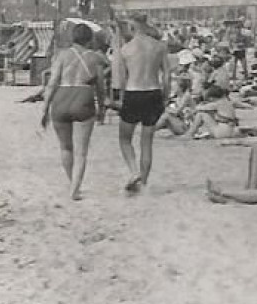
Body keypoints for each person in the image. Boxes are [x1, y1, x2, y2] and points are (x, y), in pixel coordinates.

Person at [42, 22, 110, 200]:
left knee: (65, 148)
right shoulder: (95, 58)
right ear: (90, 39)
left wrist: (44, 109)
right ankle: (74, 189)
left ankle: (72, 182)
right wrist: (102, 108)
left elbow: (52, 82)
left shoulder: (62, 55)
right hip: (83, 97)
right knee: (81, 152)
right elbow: (101, 88)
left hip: (61, 97)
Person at [112, 15, 170, 194]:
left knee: (124, 139)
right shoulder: (159, 46)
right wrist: (165, 95)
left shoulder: (126, 49)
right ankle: (143, 183)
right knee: (147, 142)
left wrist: (121, 98)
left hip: (133, 92)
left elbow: (120, 79)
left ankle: (134, 171)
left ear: (132, 26)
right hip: (153, 92)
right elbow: (167, 75)